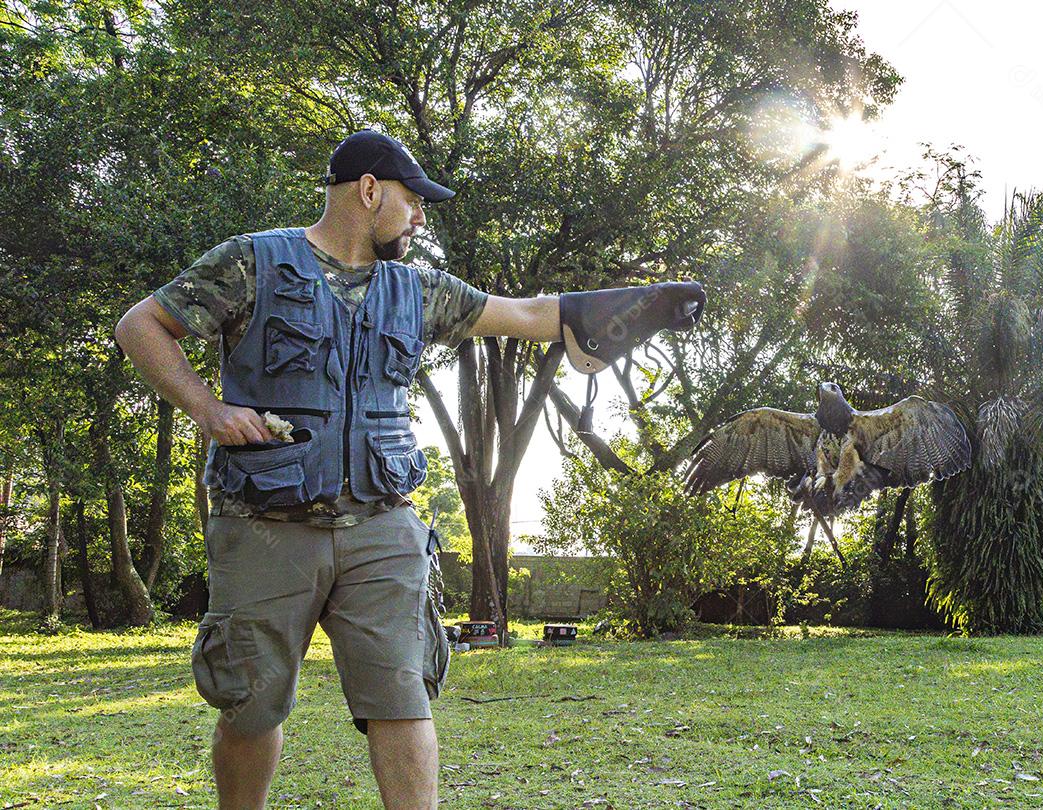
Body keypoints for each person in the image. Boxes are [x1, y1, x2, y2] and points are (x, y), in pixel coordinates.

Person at [114, 129, 705, 810]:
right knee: (251, 705)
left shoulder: (419, 290)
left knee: (401, 694)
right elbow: (141, 325)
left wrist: (645, 304)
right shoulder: (253, 261)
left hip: (383, 526)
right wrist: (207, 409)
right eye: (413, 200)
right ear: (369, 190)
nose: (420, 217)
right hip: (265, 525)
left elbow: (528, 314)